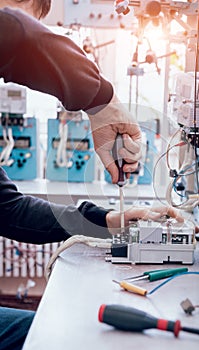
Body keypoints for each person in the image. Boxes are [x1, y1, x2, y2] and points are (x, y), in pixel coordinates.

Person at [0, 1, 185, 349]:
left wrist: (108, 221)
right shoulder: (10, 29)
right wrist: (103, 100)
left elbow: (8, 209)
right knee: (53, 337)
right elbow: (15, 32)